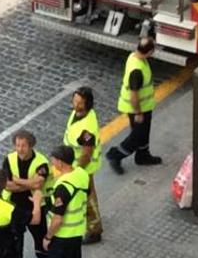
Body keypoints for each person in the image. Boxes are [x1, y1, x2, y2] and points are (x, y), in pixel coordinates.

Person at [31, 145, 88, 258]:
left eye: (53, 159)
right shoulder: (81, 173)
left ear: (61, 163)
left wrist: (48, 237)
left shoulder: (63, 187)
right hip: (77, 231)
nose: (51, 162)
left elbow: (57, 219)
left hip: (62, 236)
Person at [106, 37, 163, 173]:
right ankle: (115, 155)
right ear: (148, 52)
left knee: (143, 133)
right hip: (137, 109)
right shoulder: (136, 70)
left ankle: (143, 155)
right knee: (137, 136)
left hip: (145, 106)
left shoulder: (134, 56)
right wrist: (138, 113)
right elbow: (134, 95)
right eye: (153, 50)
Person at [1, 129, 51, 258]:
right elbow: (6, 185)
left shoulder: (41, 162)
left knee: (39, 236)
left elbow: (38, 183)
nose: (20, 149)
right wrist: (29, 183)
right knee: (15, 237)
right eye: (17, 145)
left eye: (23, 146)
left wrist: (17, 180)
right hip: (14, 205)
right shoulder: (9, 159)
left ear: (31, 146)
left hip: (35, 206)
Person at [62, 87, 103, 244]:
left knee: (88, 196)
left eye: (80, 102)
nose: (76, 104)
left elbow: (86, 154)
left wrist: (76, 170)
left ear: (87, 104)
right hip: (75, 165)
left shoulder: (87, 129)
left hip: (83, 168)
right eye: (75, 101)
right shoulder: (79, 114)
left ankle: (94, 230)